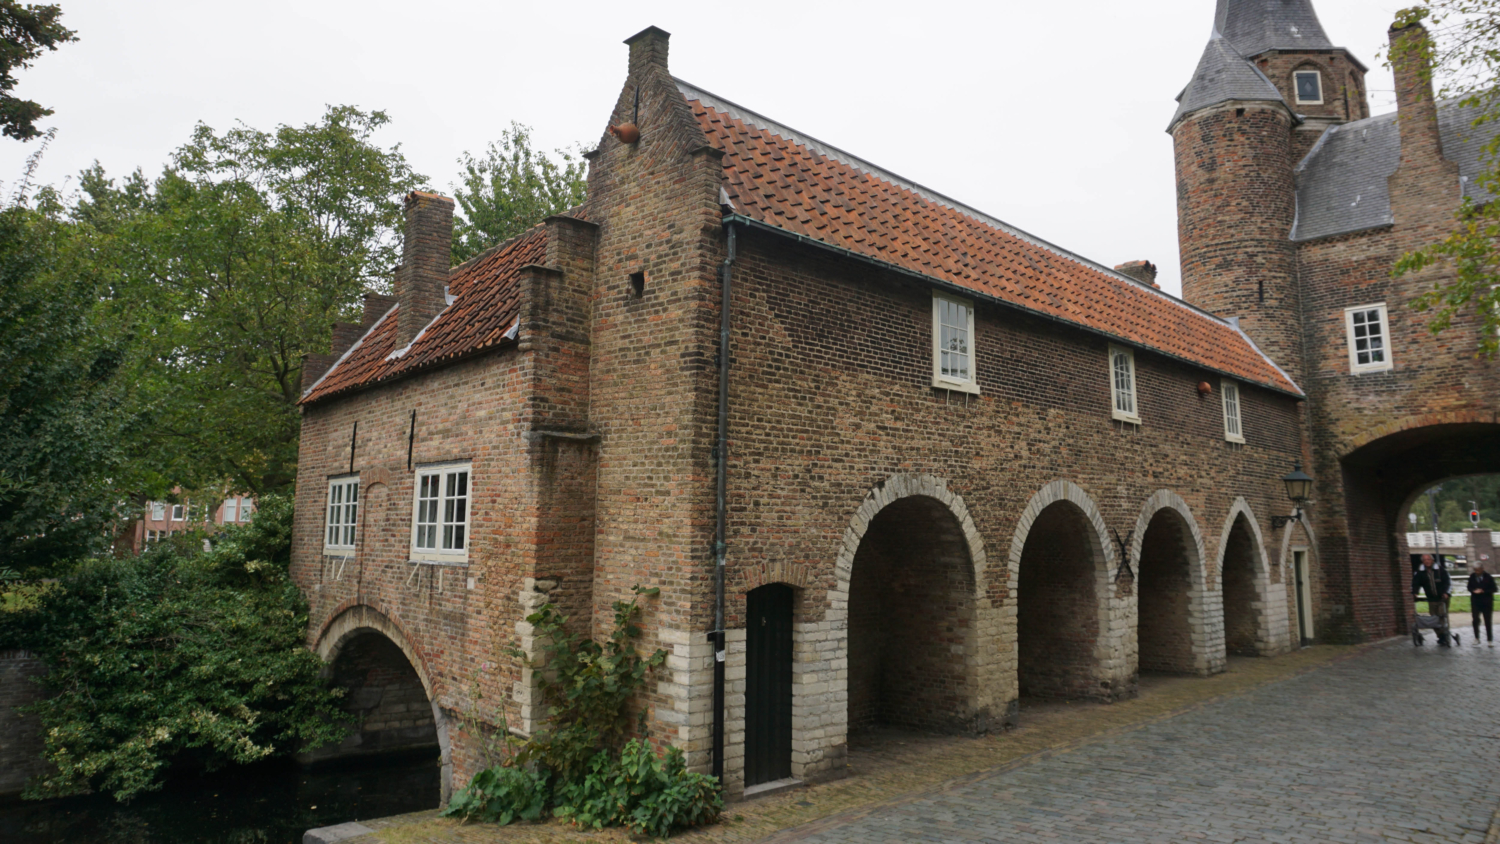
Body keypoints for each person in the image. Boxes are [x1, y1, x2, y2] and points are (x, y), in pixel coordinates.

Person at [1412, 554, 1452, 646]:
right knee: (1433, 618)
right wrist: (1415, 592)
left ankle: (1444, 635)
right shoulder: (1420, 572)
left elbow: (1447, 582)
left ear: (1432, 560)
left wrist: (1446, 593)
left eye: (1428, 559)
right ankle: (1441, 636)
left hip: (1442, 598)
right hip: (1431, 599)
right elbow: (1416, 583)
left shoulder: (1440, 570)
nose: (1427, 561)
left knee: (1441, 617)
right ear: (1423, 561)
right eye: (1425, 560)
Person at [1468, 563, 1497, 645]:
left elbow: (1494, 588)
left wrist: (1483, 591)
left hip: (1486, 602)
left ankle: (1489, 639)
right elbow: (1469, 587)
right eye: (1475, 570)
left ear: (1482, 569)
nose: (1476, 572)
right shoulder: (1472, 577)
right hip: (1475, 602)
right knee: (1475, 620)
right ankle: (1476, 637)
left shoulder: (1488, 577)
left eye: (1478, 570)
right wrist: (1473, 590)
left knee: (1487, 621)